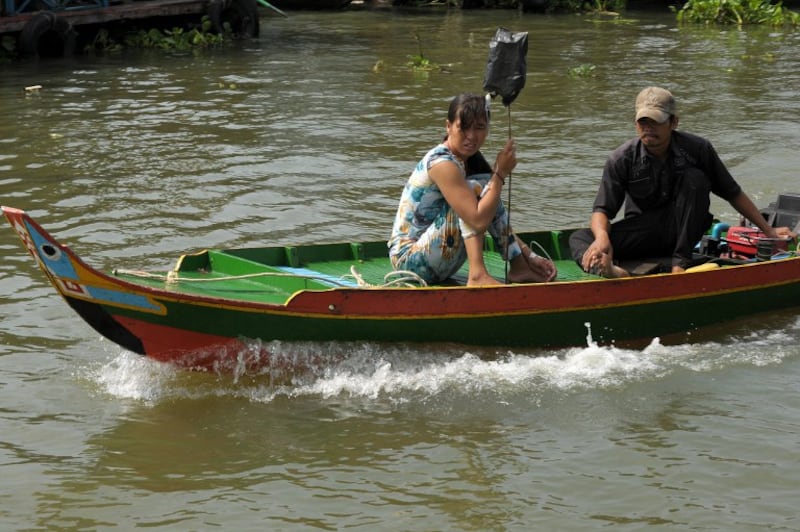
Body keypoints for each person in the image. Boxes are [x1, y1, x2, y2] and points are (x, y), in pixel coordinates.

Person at [569, 86, 797, 278]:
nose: (648, 129)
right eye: (643, 122)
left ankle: (680, 265)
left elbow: (732, 193)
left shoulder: (697, 149)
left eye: (656, 123)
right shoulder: (621, 159)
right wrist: (601, 239)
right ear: (636, 123)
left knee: (695, 177)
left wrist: (769, 230)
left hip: (685, 232)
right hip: (647, 230)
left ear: (673, 123)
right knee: (579, 238)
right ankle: (613, 271)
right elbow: (602, 210)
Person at [388, 93, 556, 286]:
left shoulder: (469, 162)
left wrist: (529, 255)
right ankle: (477, 275)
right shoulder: (442, 162)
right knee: (478, 189)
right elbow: (476, 220)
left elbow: (493, 211)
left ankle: (519, 266)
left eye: (479, 128)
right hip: (409, 261)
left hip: (435, 255)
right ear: (448, 126)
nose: (471, 136)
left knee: (487, 188)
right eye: (464, 128)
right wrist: (500, 173)